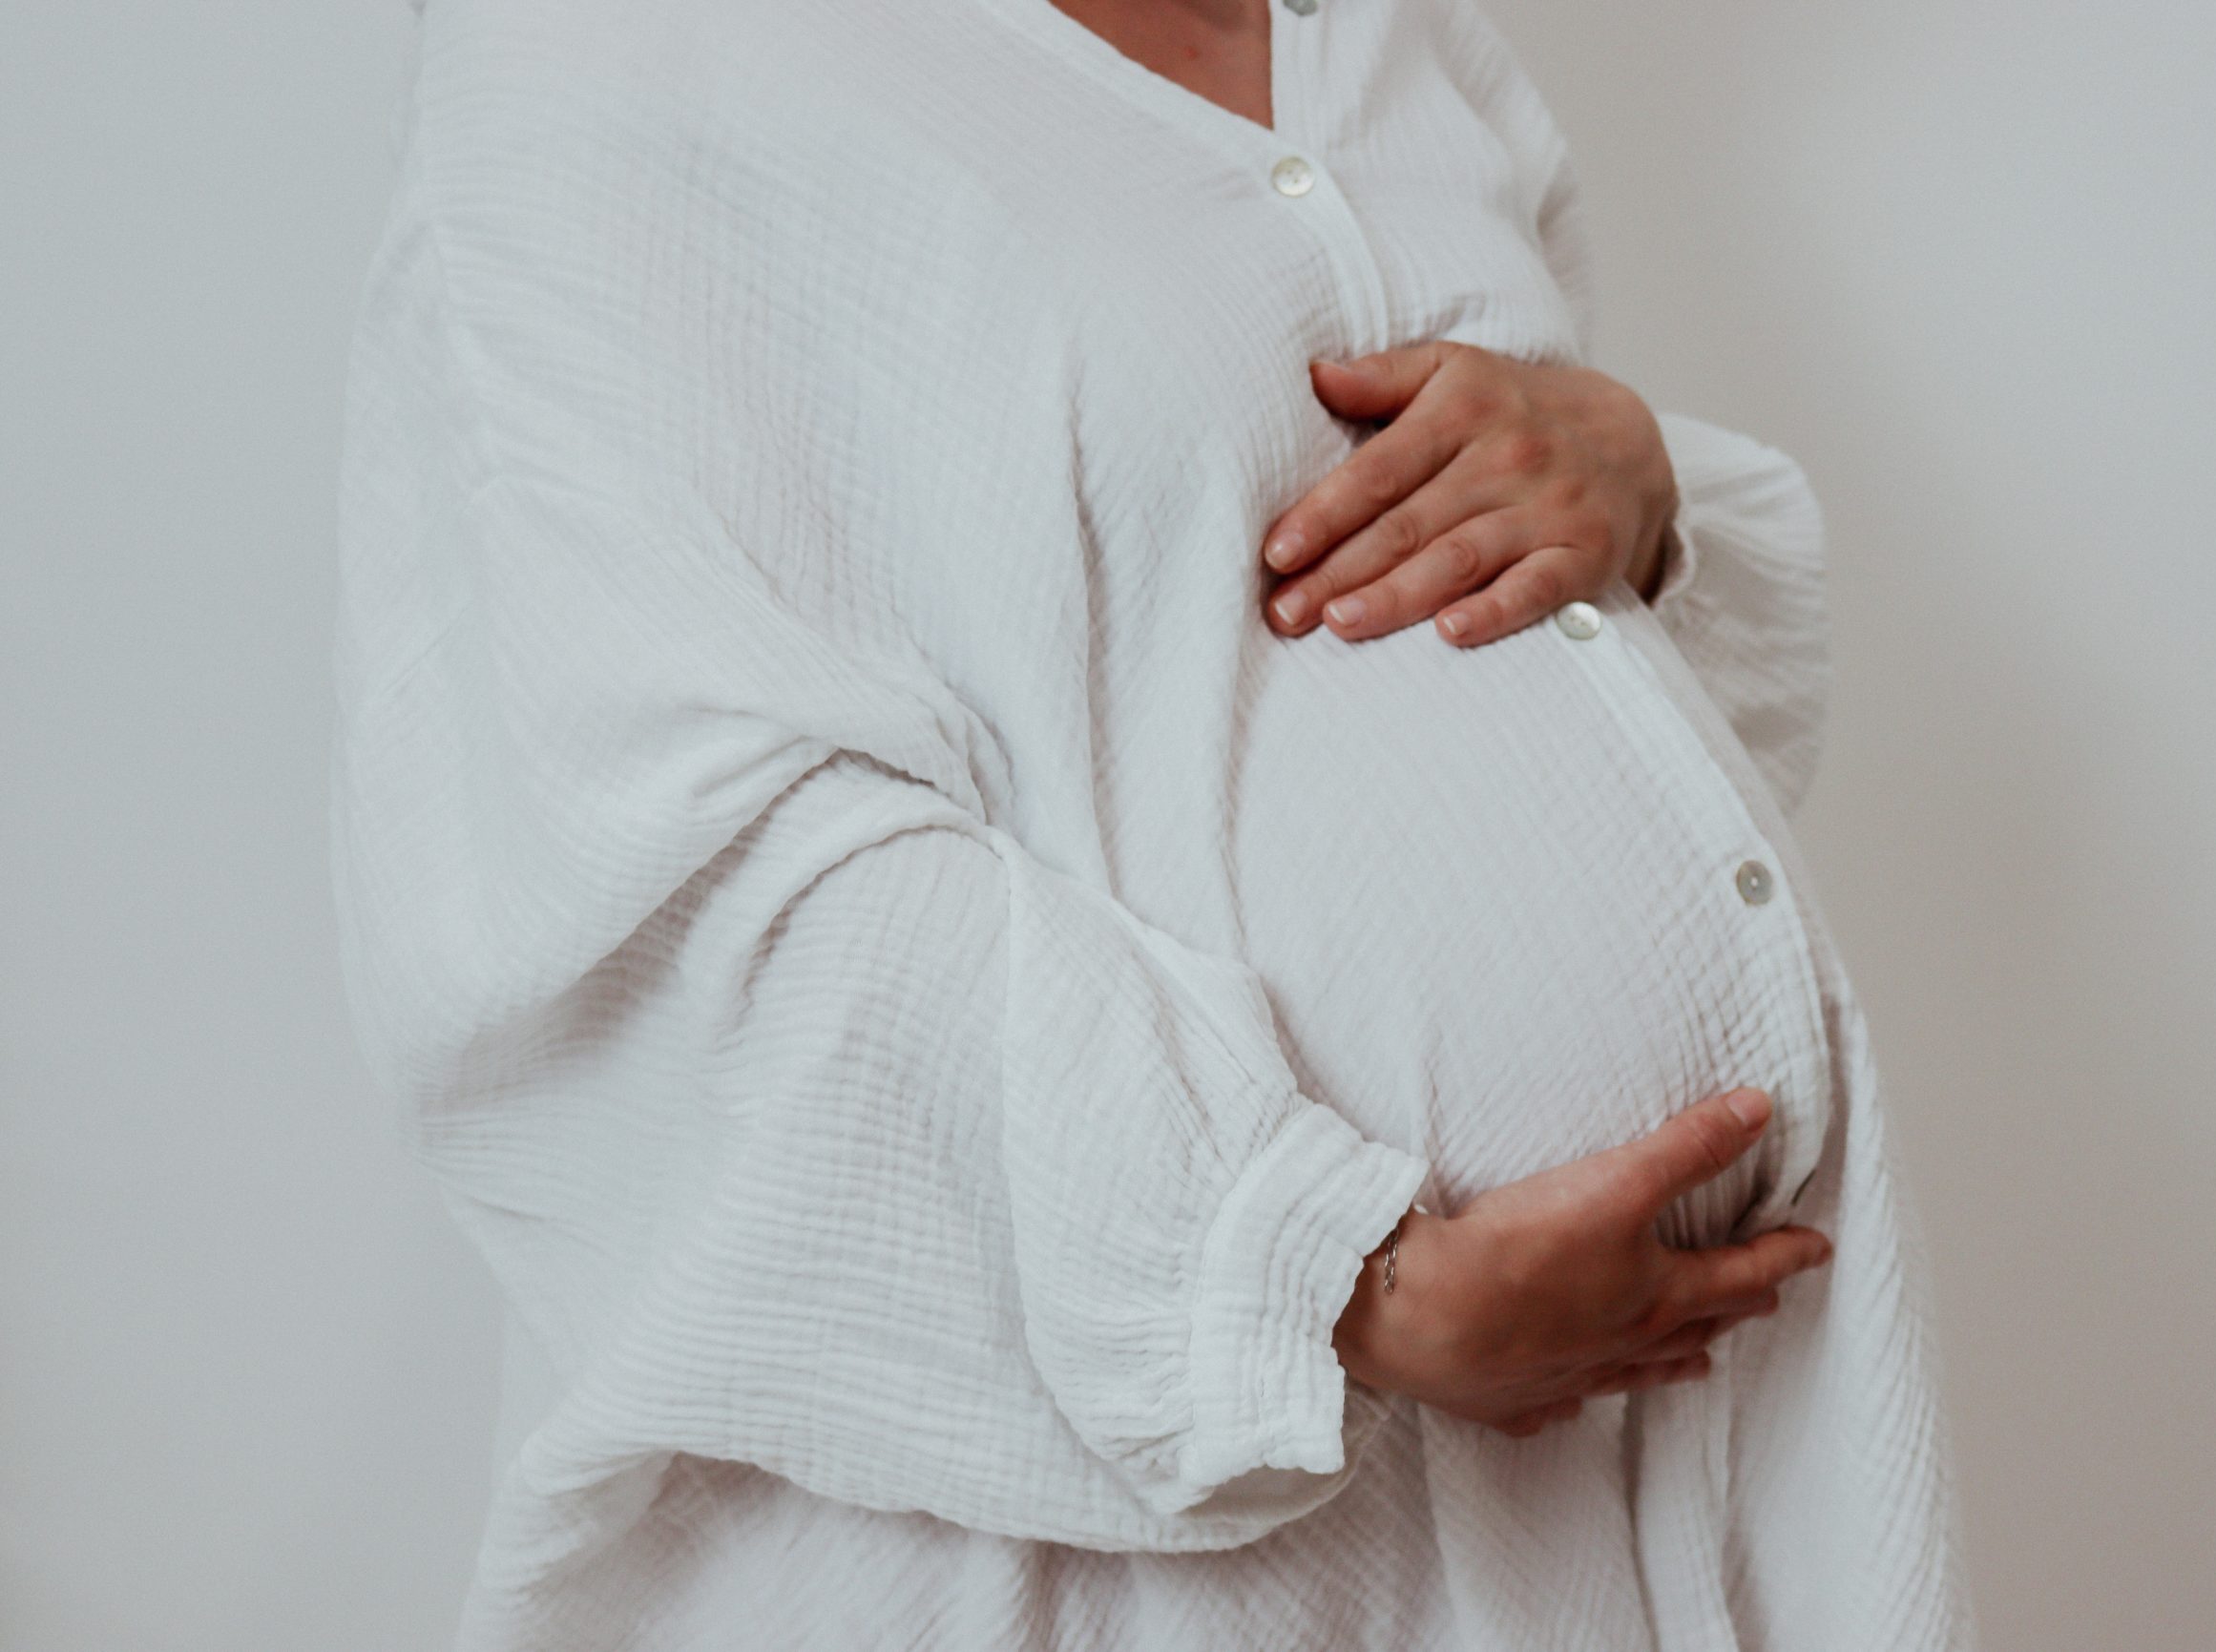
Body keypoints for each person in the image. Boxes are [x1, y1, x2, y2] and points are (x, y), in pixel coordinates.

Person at [331, 0, 1975, 1645]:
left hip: (1612, 1490)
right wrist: (1323, 1279)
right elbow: (649, 865)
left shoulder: (1388, 32)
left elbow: (1466, 679)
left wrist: (1632, 477)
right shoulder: (610, 50)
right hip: (1057, 1554)